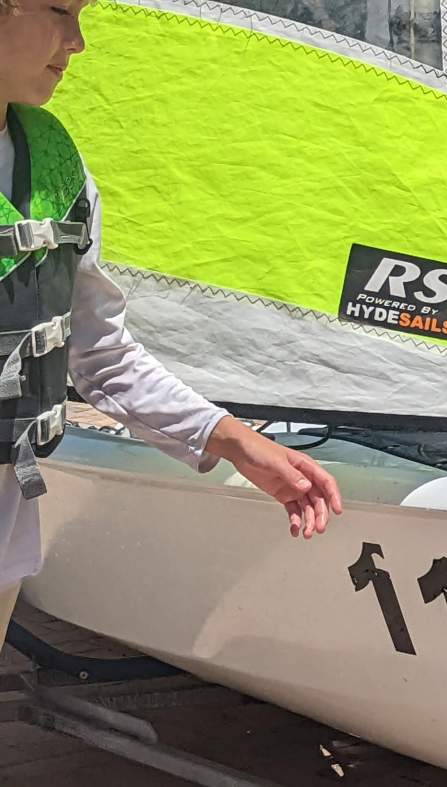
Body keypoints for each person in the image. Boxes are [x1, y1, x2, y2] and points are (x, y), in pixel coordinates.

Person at [0, 0, 343, 644]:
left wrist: (234, 440)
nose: (77, 42)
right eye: (58, 10)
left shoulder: (56, 169)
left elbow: (101, 355)